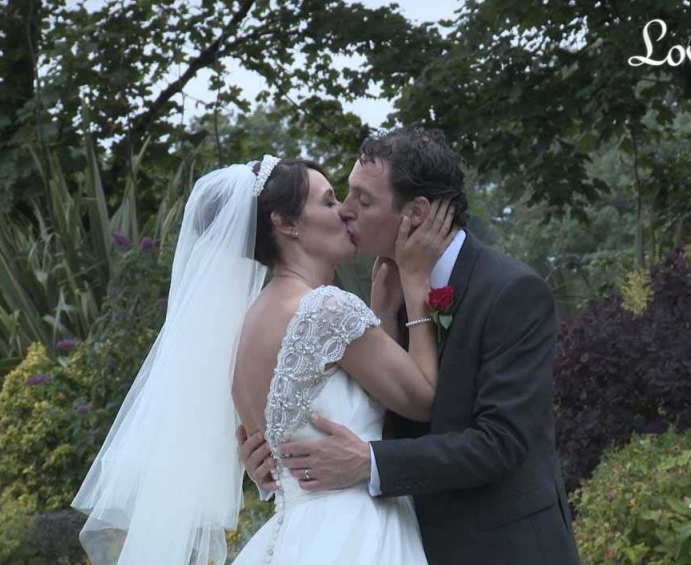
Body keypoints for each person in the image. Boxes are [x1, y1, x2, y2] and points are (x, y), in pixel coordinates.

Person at [72, 155, 453, 565]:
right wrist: (415, 286)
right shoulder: (325, 310)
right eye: (327, 202)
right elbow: (421, 398)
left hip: (293, 534)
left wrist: (379, 317)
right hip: (354, 530)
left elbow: (279, 465)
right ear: (287, 224)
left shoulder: (244, 332)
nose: (344, 211)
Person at [239, 127, 581, 564]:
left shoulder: (512, 292)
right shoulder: (376, 295)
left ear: (415, 213)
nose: (345, 211)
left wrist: (371, 463)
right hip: (381, 541)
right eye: (341, 196)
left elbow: (501, 443)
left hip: (499, 548)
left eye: (362, 201)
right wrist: (272, 454)